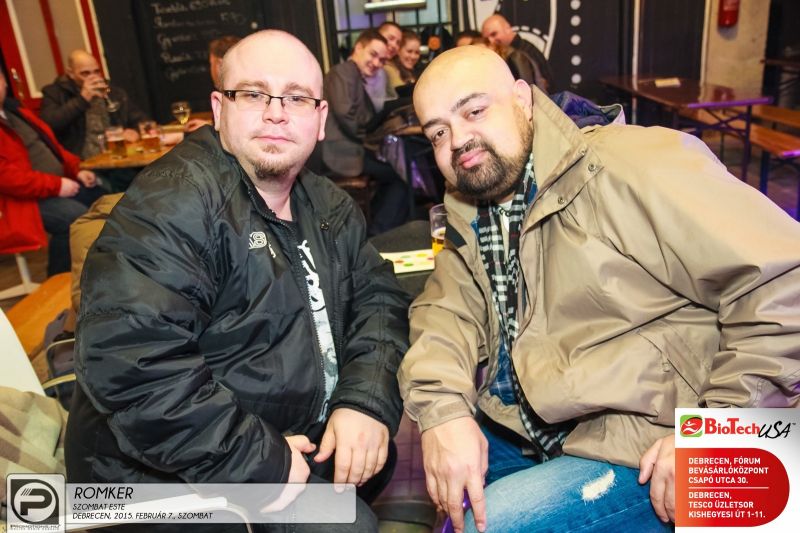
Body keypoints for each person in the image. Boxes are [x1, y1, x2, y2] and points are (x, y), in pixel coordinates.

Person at [400, 46, 800, 533]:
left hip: (670, 433)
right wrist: (442, 413)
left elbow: (786, 279)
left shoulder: (631, 164)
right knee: (455, 508)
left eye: (474, 111)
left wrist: (715, 434)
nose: (459, 140)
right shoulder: (473, 202)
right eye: (438, 132)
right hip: (548, 425)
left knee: (492, 524)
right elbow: (445, 311)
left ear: (523, 99)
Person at [65, 30, 410, 532]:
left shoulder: (327, 204)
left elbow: (379, 301)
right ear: (218, 109)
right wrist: (259, 461)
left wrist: (363, 402)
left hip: (278, 432)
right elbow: (132, 362)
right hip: (147, 478)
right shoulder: (175, 202)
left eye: (296, 98)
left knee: (373, 456)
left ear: (320, 120)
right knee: (346, 523)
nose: (276, 113)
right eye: (253, 94)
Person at [0, 69, 104, 276]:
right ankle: (59, 281)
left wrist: (77, 170)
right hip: (18, 201)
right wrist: (57, 186)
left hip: (51, 186)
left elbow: (53, 148)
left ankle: (99, 269)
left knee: (104, 199)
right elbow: (7, 179)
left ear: (4, 83)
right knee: (74, 218)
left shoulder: (16, 112)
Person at [322, 29, 409, 235]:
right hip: (341, 152)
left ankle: (378, 228)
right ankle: (379, 233)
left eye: (382, 60)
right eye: (373, 54)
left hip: (350, 148)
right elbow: (345, 114)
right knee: (400, 178)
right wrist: (368, 137)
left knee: (397, 175)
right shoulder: (343, 71)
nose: (377, 63)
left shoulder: (354, 75)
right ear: (358, 47)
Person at [40, 50, 147, 159]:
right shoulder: (55, 92)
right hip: (81, 161)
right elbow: (48, 124)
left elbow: (142, 121)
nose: (94, 77)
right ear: (71, 73)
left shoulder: (114, 92)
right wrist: (82, 100)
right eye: (85, 73)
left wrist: (135, 131)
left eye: (97, 71)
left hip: (117, 155)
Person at [481, 14, 554, 93]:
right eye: (486, 40)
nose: (491, 41)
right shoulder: (518, 52)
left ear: (507, 28)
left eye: (494, 34)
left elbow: (543, 85)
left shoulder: (522, 53)